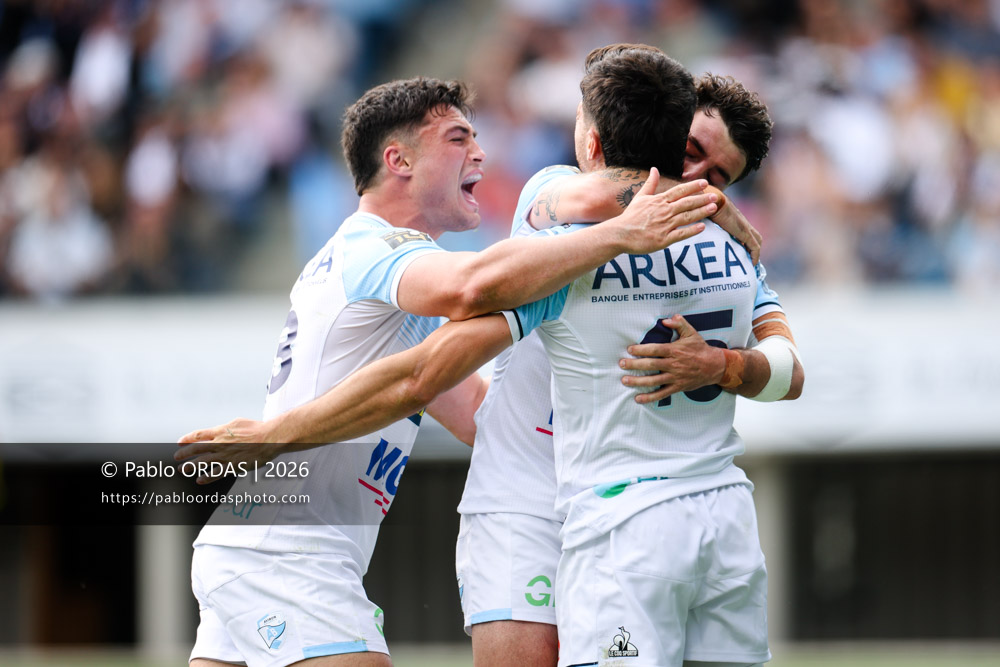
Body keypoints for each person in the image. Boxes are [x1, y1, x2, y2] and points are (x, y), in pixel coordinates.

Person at [178, 50, 803, 667]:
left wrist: (722, 362)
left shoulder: (721, 255)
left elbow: (452, 395)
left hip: (591, 497)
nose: (695, 182)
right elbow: (464, 301)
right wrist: (273, 436)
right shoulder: (532, 229)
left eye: (717, 179)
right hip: (385, 529)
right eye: (689, 155)